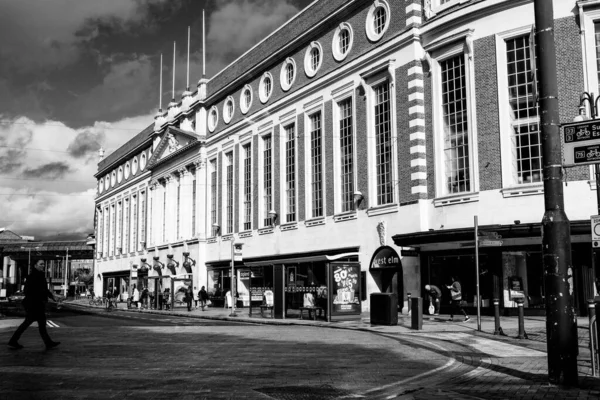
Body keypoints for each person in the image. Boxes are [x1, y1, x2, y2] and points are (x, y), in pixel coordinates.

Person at [7, 260, 61, 350]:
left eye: (43, 264)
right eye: (40, 264)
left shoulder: (40, 275)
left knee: (39, 323)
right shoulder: (32, 276)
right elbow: (27, 291)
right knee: (34, 323)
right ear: (35, 265)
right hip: (34, 304)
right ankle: (13, 341)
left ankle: (48, 343)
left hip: (36, 303)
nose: (43, 266)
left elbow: (45, 290)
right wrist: (40, 296)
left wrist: (52, 297)